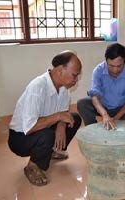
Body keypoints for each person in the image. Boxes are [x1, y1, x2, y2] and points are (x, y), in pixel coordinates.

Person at [8, 51, 82, 186]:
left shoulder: (64, 89)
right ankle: (32, 166)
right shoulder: (37, 87)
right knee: (47, 134)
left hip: (43, 129)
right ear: (60, 70)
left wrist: (60, 125)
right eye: (74, 75)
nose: (75, 80)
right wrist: (59, 117)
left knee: (74, 119)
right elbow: (30, 127)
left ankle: (50, 151)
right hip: (20, 137)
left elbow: (64, 112)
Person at [77, 43, 125, 130]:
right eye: (111, 66)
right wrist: (105, 115)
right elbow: (95, 96)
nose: (115, 70)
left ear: (124, 61)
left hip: (121, 108)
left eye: (119, 66)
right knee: (82, 103)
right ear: (106, 61)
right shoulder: (98, 71)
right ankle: (92, 129)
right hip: (102, 106)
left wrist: (115, 119)